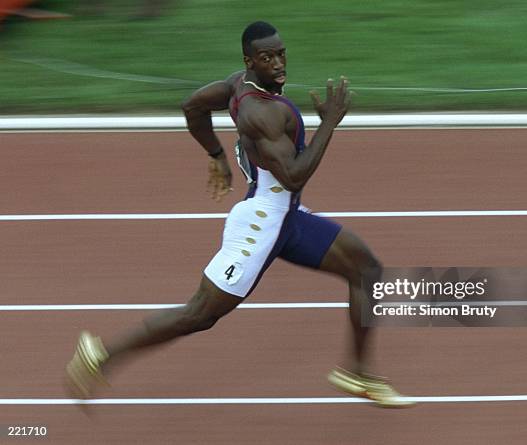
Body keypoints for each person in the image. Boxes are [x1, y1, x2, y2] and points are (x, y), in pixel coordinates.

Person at [66, 21, 412, 408]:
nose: (279, 63)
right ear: (250, 60)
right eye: (267, 57)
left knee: (367, 270)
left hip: (286, 217)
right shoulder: (260, 113)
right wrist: (329, 122)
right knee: (199, 314)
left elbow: (192, 106)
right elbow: (294, 174)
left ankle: (358, 372)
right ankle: (100, 355)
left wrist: (215, 155)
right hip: (263, 223)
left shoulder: (239, 84)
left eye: (281, 53)